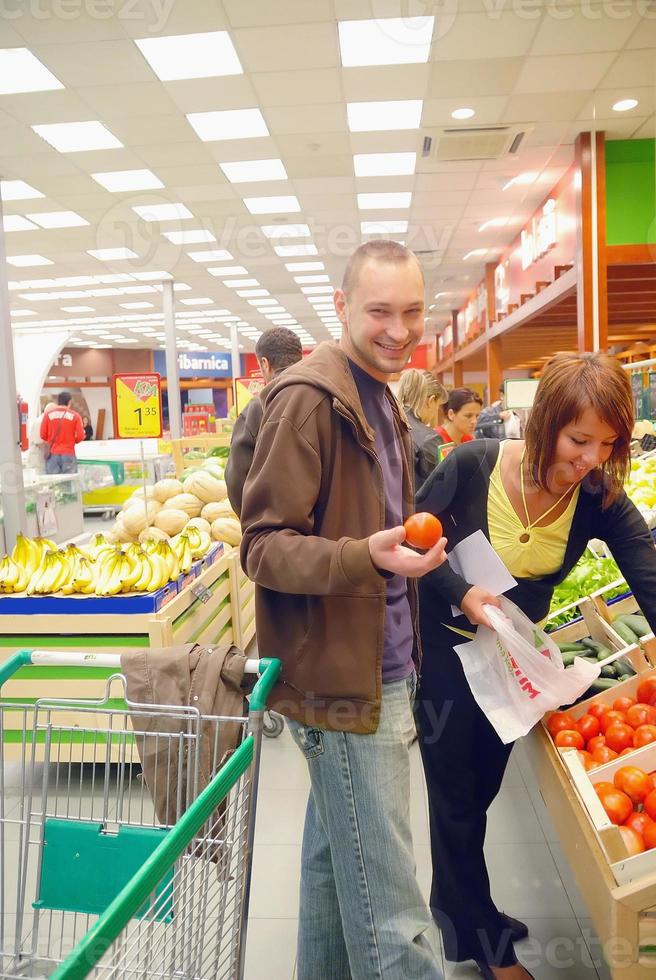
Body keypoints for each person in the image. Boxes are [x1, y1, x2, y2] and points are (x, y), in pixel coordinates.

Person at [240, 240, 448, 980]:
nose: (399, 328)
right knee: (391, 911)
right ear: (341, 308)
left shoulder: (380, 395)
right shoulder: (309, 401)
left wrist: (408, 562)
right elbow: (263, 546)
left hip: (376, 662)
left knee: (337, 871)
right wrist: (366, 556)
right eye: (380, 311)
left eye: (413, 311)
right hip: (347, 679)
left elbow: (379, 526)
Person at [415, 352, 656, 980]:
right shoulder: (471, 466)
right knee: (454, 797)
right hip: (444, 654)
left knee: (482, 789)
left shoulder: (597, 495)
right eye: (579, 439)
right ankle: (484, 947)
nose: (590, 458)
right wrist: (457, 591)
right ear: (544, 421)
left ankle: (466, 911)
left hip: (509, 662)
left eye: (606, 444)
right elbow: (410, 539)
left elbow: (647, 574)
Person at [225, 326, 302, 517]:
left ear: (265, 364)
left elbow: (237, 480)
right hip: (330, 535)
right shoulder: (328, 397)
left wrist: (258, 524)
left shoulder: (257, 408)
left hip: (279, 530)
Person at [396, 368, 448, 489]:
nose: (436, 412)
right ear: (431, 401)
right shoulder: (429, 439)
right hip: (415, 506)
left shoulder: (386, 423)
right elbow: (440, 486)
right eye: (437, 406)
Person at [39, 392, 84, 474]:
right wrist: (73, 440)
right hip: (69, 453)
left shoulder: (48, 415)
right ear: (69, 402)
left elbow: (42, 435)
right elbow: (81, 436)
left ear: (58, 402)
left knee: (54, 484)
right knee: (68, 482)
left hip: (52, 454)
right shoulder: (75, 416)